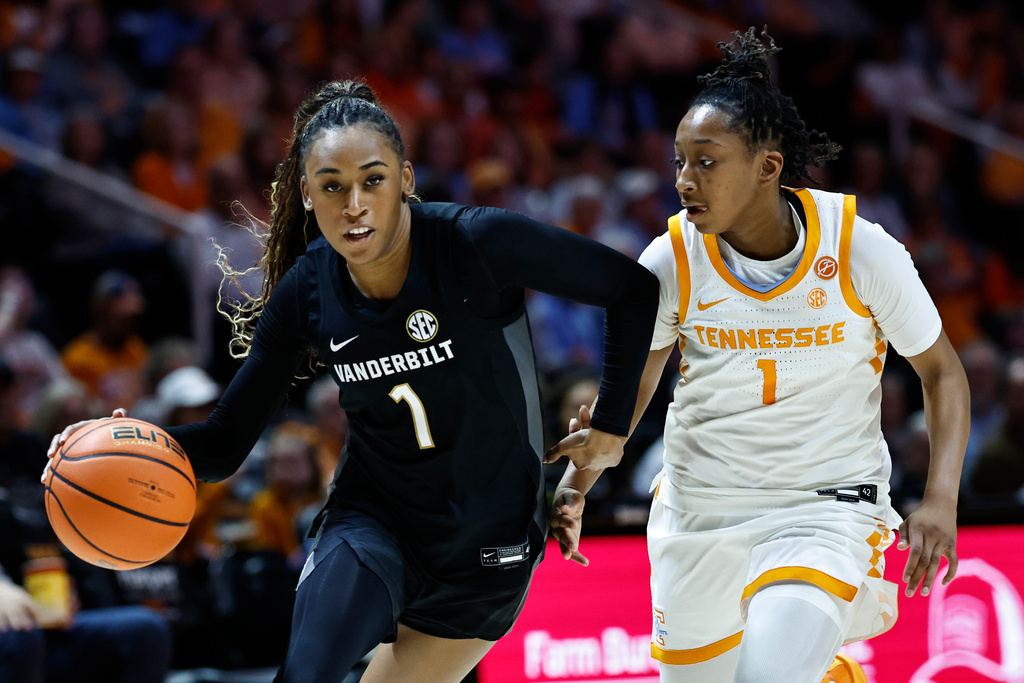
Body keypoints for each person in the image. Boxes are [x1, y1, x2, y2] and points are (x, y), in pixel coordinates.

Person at [45, 79, 658, 683]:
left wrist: (610, 428)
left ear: (407, 180)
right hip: (376, 520)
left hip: (488, 542)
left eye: (373, 180)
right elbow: (226, 442)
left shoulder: (476, 241)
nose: (354, 204)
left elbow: (633, 290)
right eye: (332, 187)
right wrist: (120, 444)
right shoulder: (307, 290)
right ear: (308, 195)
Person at [547, 28, 970, 683]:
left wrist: (940, 498)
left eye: (706, 161)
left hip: (823, 504)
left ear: (768, 167)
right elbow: (630, 393)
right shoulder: (670, 259)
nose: (686, 180)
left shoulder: (859, 248)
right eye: (680, 162)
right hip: (697, 512)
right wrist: (577, 484)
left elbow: (942, 372)